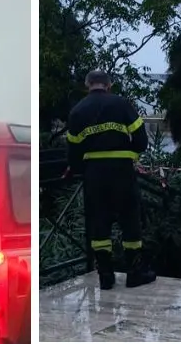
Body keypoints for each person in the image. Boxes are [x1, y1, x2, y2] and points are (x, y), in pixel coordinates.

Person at [66, 69, 157, 290]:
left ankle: (105, 275)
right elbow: (141, 140)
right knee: (130, 219)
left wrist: (81, 168)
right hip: (122, 172)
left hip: (94, 175)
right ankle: (135, 272)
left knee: (99, 222)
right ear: (109, 85)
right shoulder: (121, 104)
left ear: (88, 85)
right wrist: (130, 155)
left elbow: (73, 151)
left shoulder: (77, 111)